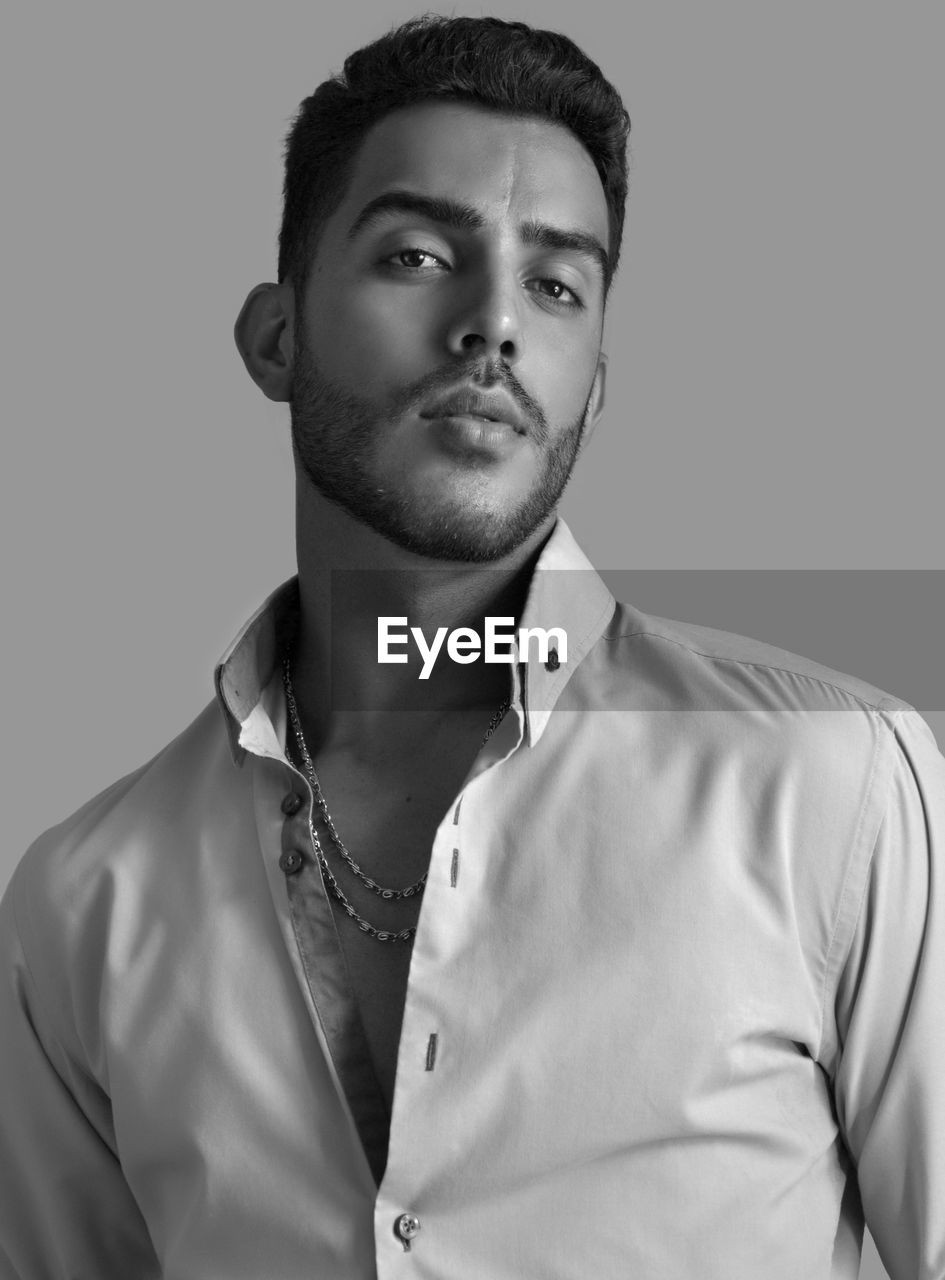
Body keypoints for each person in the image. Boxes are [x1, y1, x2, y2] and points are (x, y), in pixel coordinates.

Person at [0, 14, 942, 1279]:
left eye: (557, 284)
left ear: (595, 381)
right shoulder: (83, 900)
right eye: (417, 253)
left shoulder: (837, 787)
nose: (492, 324)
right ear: (275, 338)